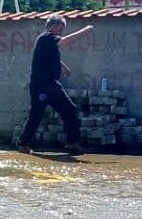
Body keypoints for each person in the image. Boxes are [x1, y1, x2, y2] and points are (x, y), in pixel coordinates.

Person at [17, 14, 94, 155]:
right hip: (41, 85)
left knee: (70, 109)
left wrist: (63, 67)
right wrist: (85, 30)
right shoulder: (46, 37)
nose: (61, 32)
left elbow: (50, 57)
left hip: (51, 84)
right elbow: (66, 41)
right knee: (36, 114)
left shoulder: (47, 41)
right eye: (60, 29)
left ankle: (72, 143)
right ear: (54, 27)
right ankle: (23, 143)